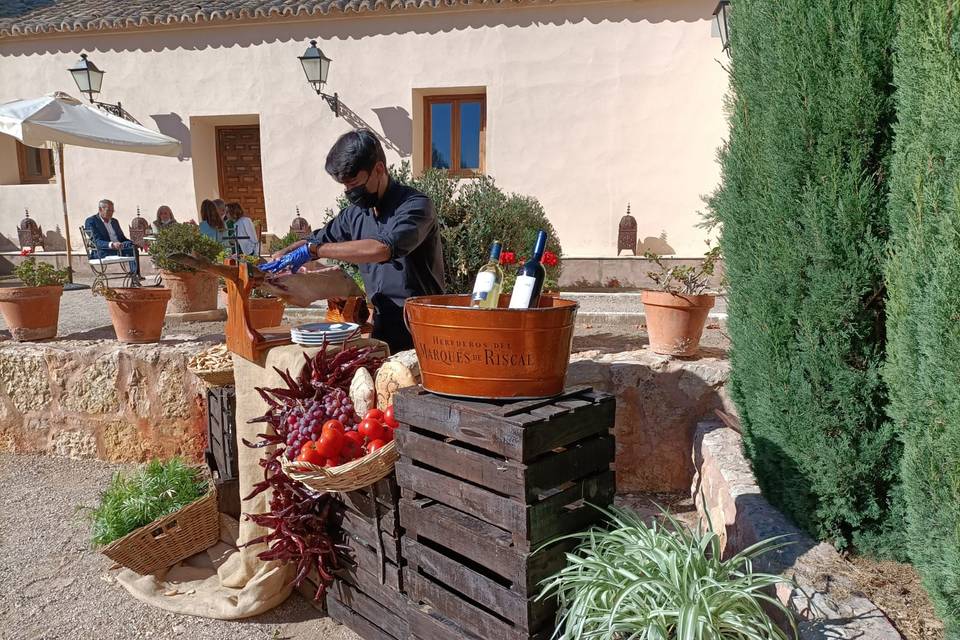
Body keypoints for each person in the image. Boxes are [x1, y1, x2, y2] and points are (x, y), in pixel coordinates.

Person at [262, 129, 445, 353]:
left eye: (354, 184)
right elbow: (317, 238)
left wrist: (316, 250)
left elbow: (382, 248)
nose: (350, 192)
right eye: (345, 186)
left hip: (424, 329)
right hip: (383, 325)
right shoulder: (355, 214)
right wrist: (286, 255)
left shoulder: (416, 206)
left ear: (379, 169)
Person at [84, 199, 141, 283]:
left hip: (119, 247)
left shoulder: (114, 221)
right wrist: (111, 244)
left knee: (133, 247)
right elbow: (96, 241)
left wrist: (134, 243)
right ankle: (135, 277)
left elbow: (122, 238)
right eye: (109, 210)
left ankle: (135, 276)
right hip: (104, 250)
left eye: (112, 210)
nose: (111, 212)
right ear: (100, 209)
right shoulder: (91, 221)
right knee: (131, 249)